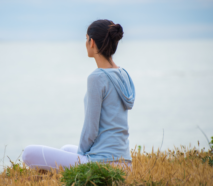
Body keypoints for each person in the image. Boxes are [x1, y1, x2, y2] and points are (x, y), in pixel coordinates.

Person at [22, 19, 135, 171]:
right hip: (125, 163)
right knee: (66, 148)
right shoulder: (123, 74)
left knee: (28, 153)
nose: (85, 43)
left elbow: (91, 130)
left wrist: (82, 158)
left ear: (92, 42)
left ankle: (76, 169)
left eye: (86, 39)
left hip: (103, 164)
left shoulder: (97, 77)